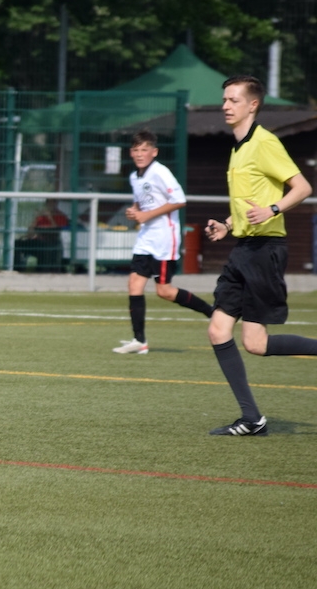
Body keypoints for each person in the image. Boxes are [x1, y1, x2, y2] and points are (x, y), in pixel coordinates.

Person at [203, 74, 316, 436]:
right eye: (224, 99)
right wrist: (227, 224)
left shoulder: (264, 142)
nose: (225, 105)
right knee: (219, 330)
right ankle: (252, 419)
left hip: (266, 250)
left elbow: (302, 187)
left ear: (253, 105)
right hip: (244, 249)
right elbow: (247, 205)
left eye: (233, 100)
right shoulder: (238, 147)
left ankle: (252, 419)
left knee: (256, 343)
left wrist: (273, 209)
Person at [112, 130, 214, 354]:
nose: (140, 154)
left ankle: (211, 312)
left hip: (165, 238)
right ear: (131, 153)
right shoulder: (134, 176)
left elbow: (179, 200)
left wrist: (147, 215)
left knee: (164, 291)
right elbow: (140, 204)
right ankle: (139, 341)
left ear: (154, 152)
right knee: (134, 284)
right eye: (136, 150)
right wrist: (134, 211)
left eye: (144, 149)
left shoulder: (160, 172)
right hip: (145, 238)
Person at [14, 199, 68, 272]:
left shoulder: (60, 215)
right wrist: (36, 218)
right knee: (17, 243)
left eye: (53, 202)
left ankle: (42, 270)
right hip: (38, 241)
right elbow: (30, 232)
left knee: (45, 248)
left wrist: (50, 217)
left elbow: (57, 229)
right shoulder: (41, 216)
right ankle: (18, 269)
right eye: (49, 202)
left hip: (51, 243)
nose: (51, 204)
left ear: (56, 204)